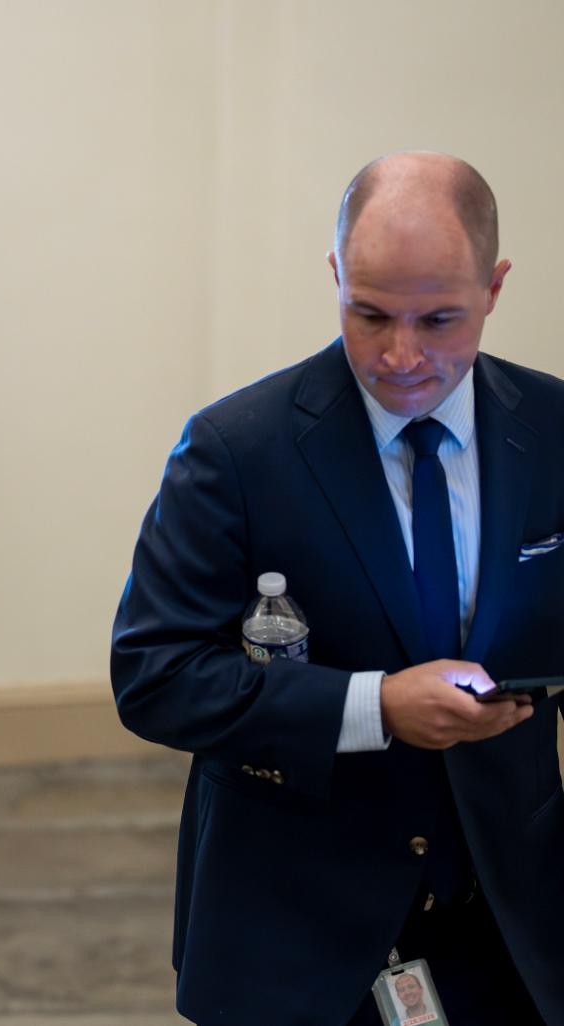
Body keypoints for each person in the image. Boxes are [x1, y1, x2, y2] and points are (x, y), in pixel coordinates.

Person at [111, 151, 564, 1024]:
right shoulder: (235, 450)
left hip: (514, 922)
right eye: (369, 314)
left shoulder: (552, 431)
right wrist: (375, 706)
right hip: (297, 933)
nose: (402, 355)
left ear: (496, 287)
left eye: (439, 319)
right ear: (335, 276)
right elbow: (154, 676)